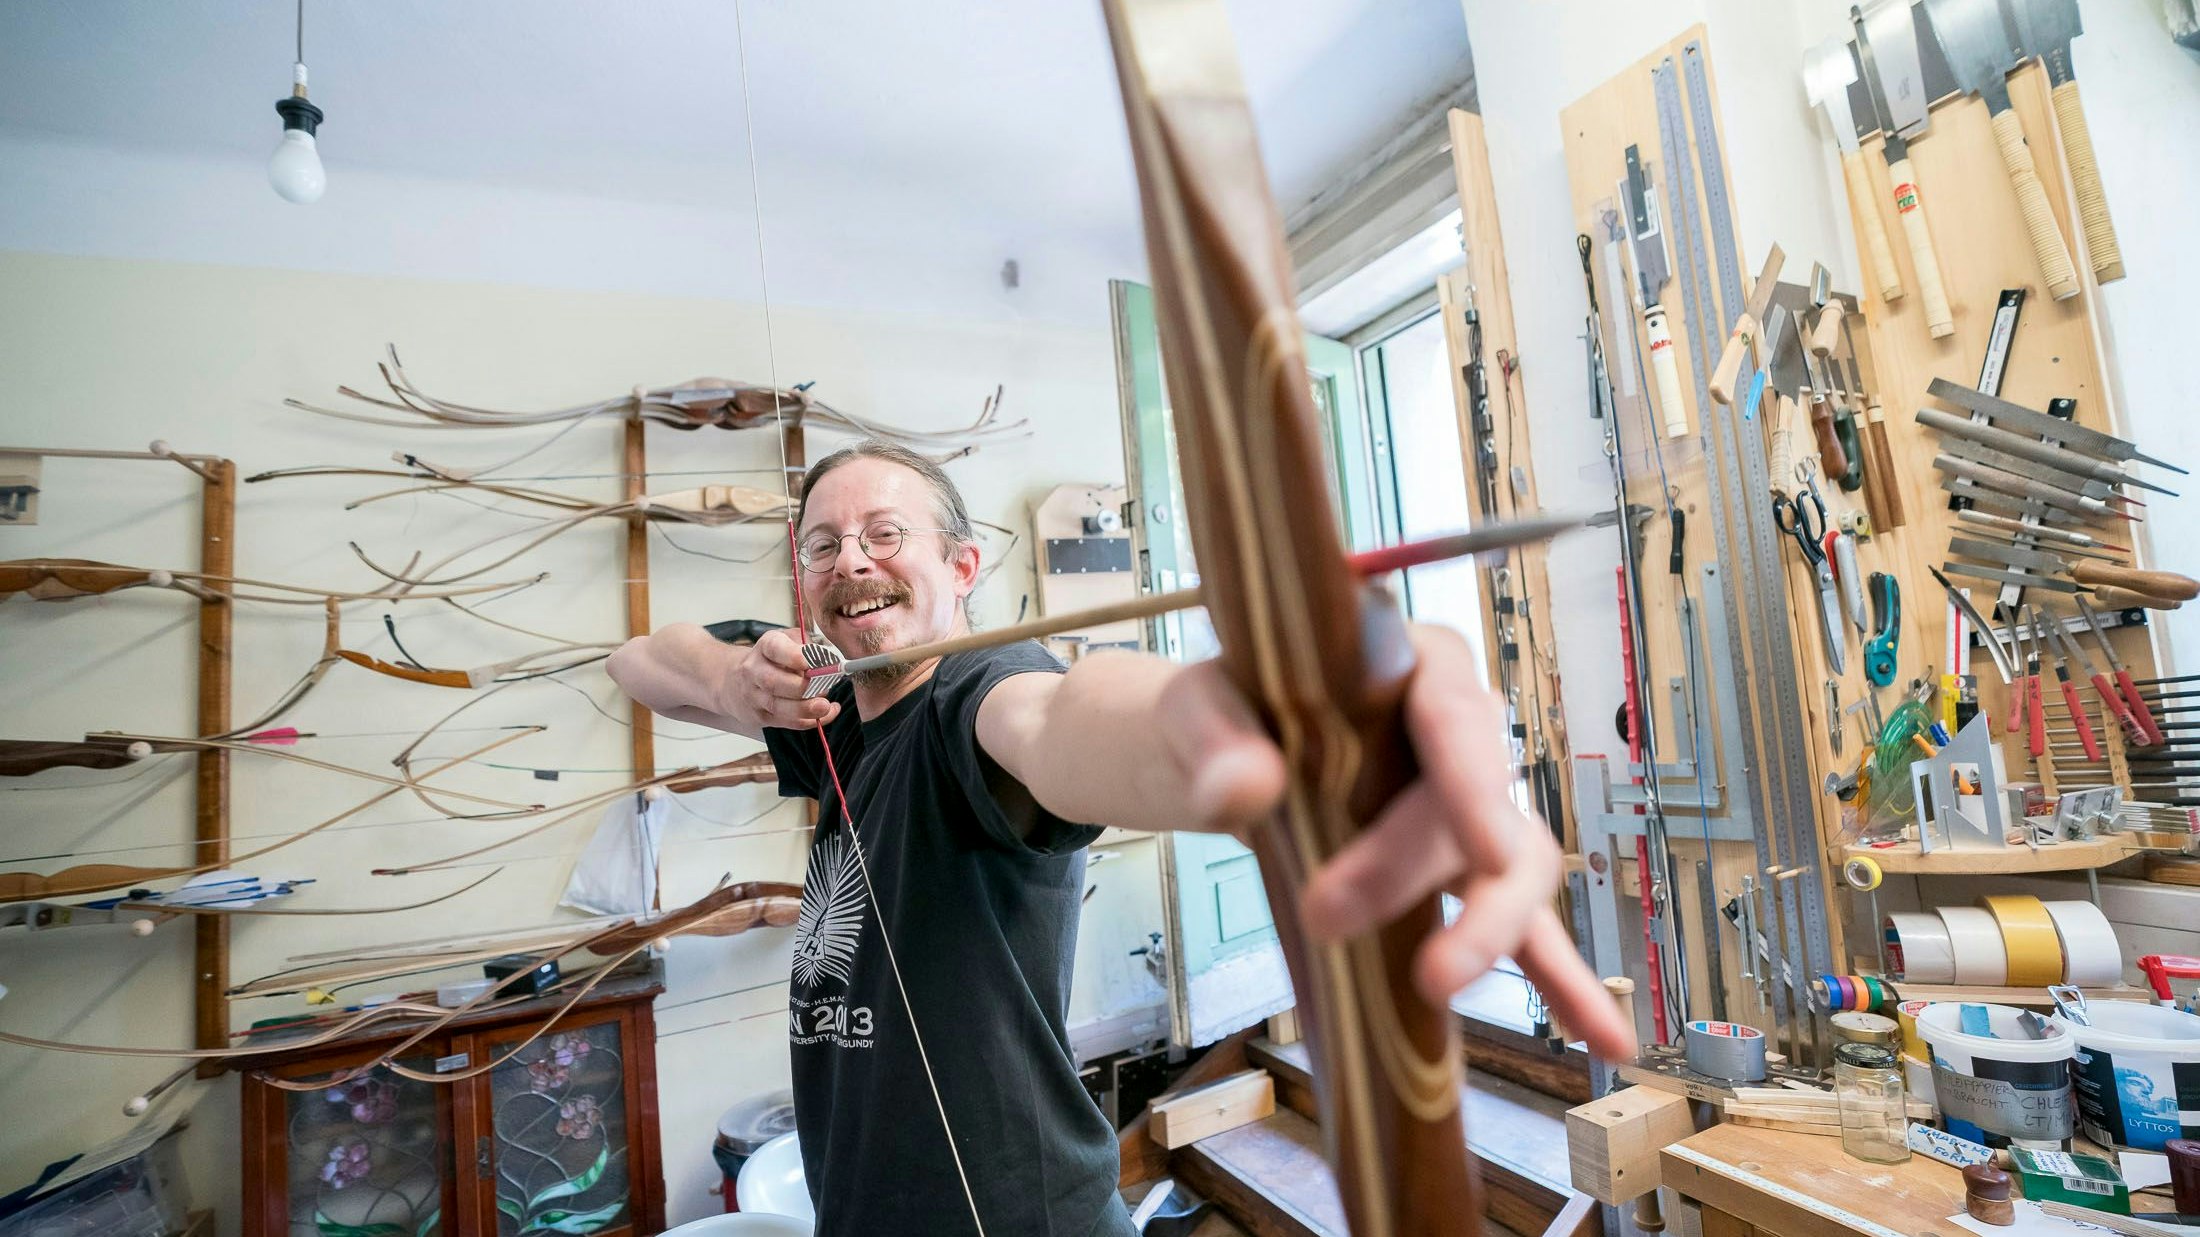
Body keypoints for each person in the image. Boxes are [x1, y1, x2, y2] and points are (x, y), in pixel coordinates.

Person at [607, 439, 1632, 1237]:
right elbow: (638, 659)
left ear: (960, 567)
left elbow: (1071, 720)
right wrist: (732, 678)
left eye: (884, 533)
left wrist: (1291, 725)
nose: (851, 560)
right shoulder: (819, 718)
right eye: (823, 545)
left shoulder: (979, 692)